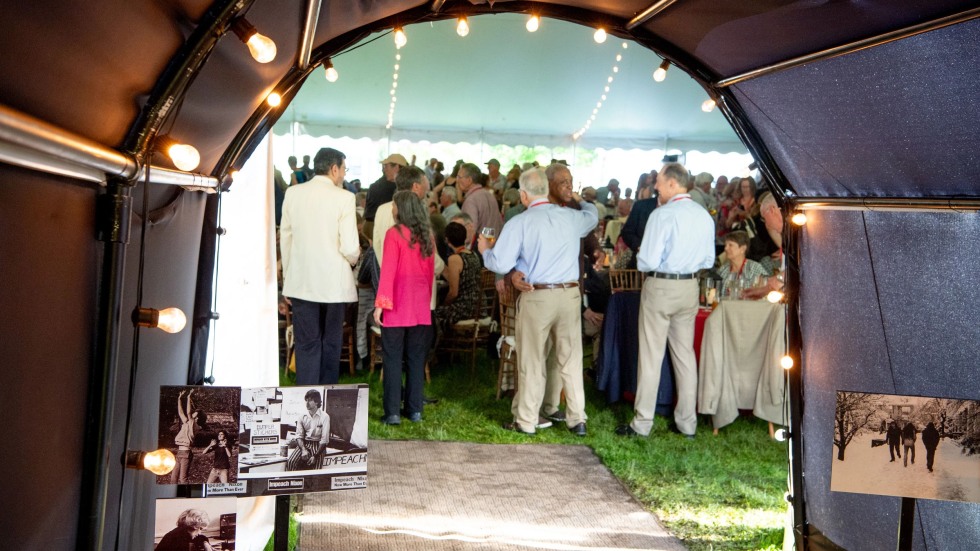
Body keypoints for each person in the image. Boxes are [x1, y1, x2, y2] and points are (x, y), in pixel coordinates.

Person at [480, 166, 598, 436]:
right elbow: (592, 215)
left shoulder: (520, 222)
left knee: (532, 359)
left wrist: (485, 251)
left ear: (523, 195)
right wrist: (578, 198)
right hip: (569, 294)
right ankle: (577, 418)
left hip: (538, 295)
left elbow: (501, 262)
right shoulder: (572, 217)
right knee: (571, 358)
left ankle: (526, 420)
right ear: (547, 190)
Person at [617, 162, 715, 439]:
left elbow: (646, 260)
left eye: (659, 181)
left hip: (661, 285)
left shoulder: (663, 215)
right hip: (689, 286)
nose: (655, 186)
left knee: (651, 356)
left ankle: (643, 423)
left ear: (673, 183)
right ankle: (687, 423)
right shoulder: (703, 215)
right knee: (685, 357)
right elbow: (709, 259)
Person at [280, 147, 360, 385]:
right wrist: (354, 259)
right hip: (334, 284)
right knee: (331, 342)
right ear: (334, 168)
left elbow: (286, 239)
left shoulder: (293, 193)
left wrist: (289, 279)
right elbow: (349, 246)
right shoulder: (345, 197)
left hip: (302, 281)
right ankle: (327, 395)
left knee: (306, 342)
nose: (344, 174)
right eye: (344, 169)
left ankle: (305, 397)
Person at [374, 191, 436, 425]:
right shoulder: (428, 235)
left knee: (392, 359)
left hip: (397, 305)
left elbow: (388, 271)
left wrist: (380, 305)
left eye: (394, 205)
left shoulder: (394, 234)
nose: (392, 209)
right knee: (416, 359)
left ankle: (392, 412)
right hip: (420, 306)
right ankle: (415, 409)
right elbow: (429, 275)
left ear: (402, 209)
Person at [437, 222, 481, 329]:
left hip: (464, 309)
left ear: (447, 240)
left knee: (431, 313)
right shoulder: (473, 254)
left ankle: (441, 344)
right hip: (478, 307)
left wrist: (443, 304)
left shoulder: (454, 259)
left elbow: (453, 293)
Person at [457, 162, 503, 246]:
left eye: (459, 177)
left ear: (469, 180)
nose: (457, 180)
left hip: (478, 249)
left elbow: (470, 232)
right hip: (493, 246)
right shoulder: (490, 195)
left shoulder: (471, 200)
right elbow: (498, 223)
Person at [363, 153, 408, 238]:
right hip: (380, 228)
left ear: (396, 167)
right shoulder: (396, 187)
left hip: (373, 227)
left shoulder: (376, 185)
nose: (384, 170)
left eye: (386, 167)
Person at [717, 231, 770, 298]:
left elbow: (767, 287)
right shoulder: (723, 269)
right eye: (725, 245)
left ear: (743, 249)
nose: (726, 248)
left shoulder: (754, 268)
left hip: (749, 306)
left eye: (730, 245)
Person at [286, 389, 331, 470]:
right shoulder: (302, 417)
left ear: (317, 402)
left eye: (310, 400)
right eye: (306, 400)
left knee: (316, 470)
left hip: (318, 445)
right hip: (304, 444)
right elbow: (299, 436)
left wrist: (315, 456)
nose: (307, 403)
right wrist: (303, 450)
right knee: (291, 462)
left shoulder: (325, 417)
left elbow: (324, 440)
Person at [171, 389, 199, 484]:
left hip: (186, 453)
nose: (194, 413)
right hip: (180, 452)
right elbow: (181, 412)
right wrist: (179, 398)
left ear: (197, 418)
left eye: (196, 413)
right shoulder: (187, 423)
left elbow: (188, 412)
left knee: (183, 479)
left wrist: (188, 397)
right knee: (173, 478)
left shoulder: (194, 424)